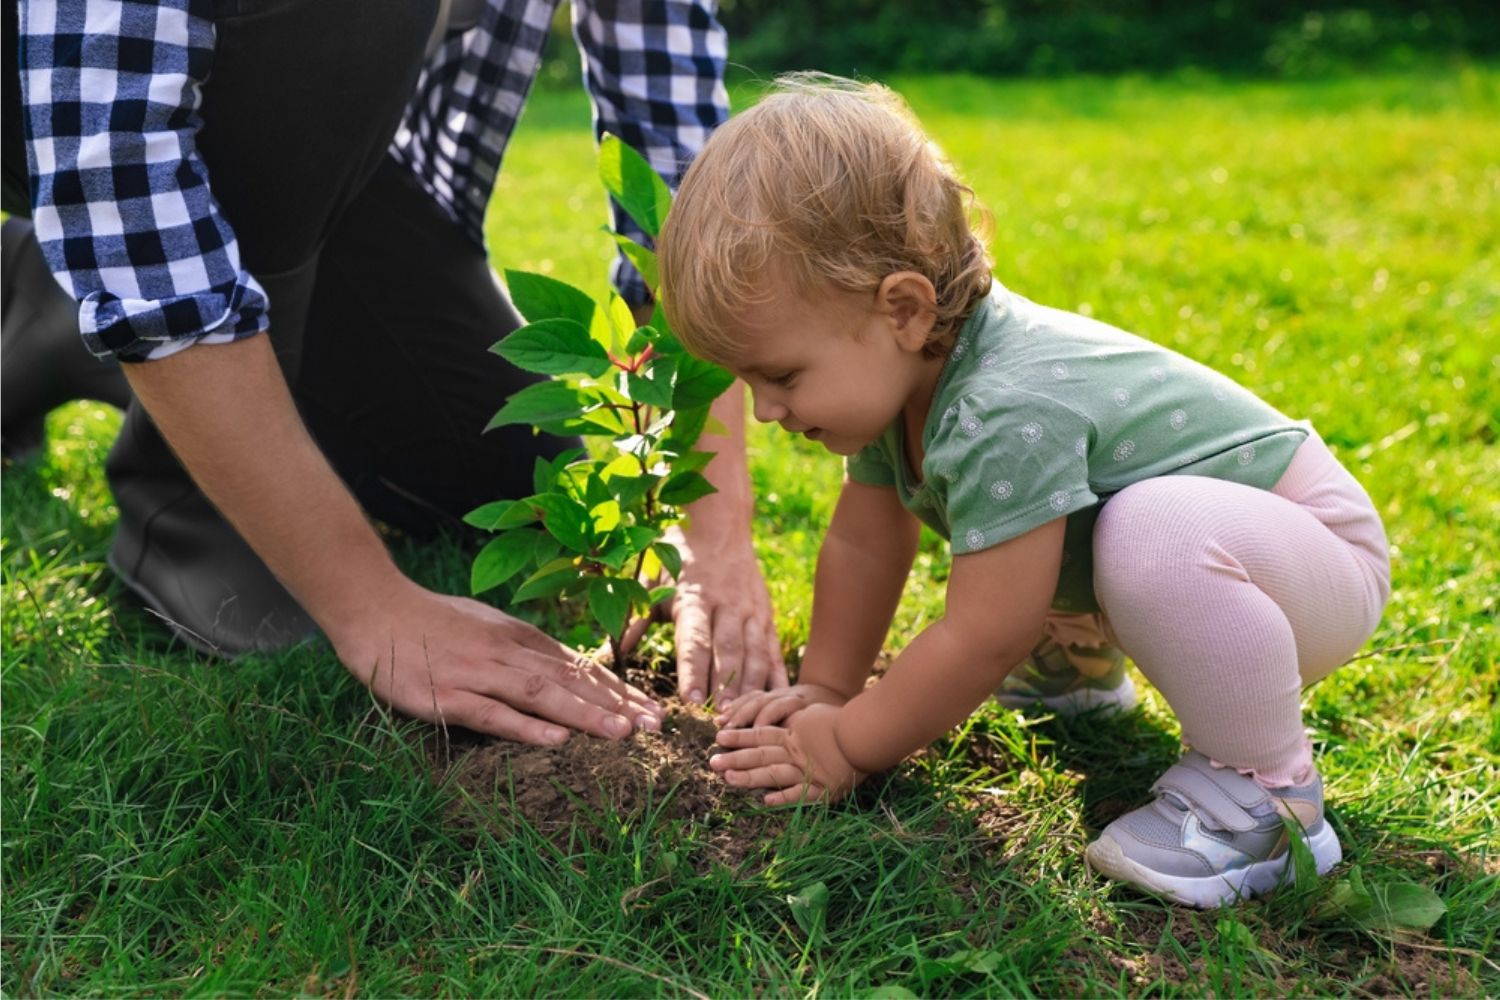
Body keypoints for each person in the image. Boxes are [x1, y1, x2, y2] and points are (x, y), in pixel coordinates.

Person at [657, 74, 1390, 907]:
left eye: (782, 374)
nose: (766, 410)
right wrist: (827, 688)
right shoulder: (910, 380)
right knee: (1098, 521)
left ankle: (1266, 799)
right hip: (1242, 564)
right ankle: (1076, 665)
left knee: (1149, 527)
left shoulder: (1003, 403)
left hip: (1310, 561)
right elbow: (866, 544)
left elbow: (984, 633)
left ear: (902, 308)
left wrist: (848, 745)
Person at [2, 0, 785, 746]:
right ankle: (185, 510)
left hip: (335, 162)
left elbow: (667, 133)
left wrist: (711, 530)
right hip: (67, 101)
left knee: (509, 473)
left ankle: (54, 293)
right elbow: (113, 156)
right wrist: (373, 606)